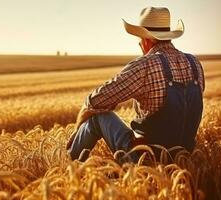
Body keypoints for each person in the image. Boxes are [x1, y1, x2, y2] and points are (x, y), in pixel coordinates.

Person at [66, 7, 205, 162]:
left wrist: (78, 128)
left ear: (146, 40)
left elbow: (96, 101)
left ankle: (69, 164)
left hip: (145, 160)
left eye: (140, 38)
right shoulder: (195, 63)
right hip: (184, 158)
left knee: (97, 117)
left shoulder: (145, 65)